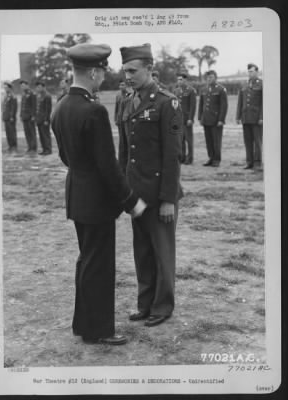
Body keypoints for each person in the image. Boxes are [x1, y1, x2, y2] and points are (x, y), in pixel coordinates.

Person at [51, 43, 146, 345]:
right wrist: (131, 201)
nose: (103, 77)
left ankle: (84, 325)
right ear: (92, 71)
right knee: (99, 266)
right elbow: (108, 166)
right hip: (97, 202)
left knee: (87, 261)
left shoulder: (62, 106)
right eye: (102, 71)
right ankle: (100, 330)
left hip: (77, 196)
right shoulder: (93, 110)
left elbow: (66, 157)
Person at [119, 43, 183, 327]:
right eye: (125, 71)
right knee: (142, 251)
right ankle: (144, 304)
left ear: (149, 69)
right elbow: (125, 151)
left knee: (161, 251)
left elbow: (172, 155)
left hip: (159, 194)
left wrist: (169, 198)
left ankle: (162, 306)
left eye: (133, 70)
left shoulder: (167, 102)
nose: (128, 76)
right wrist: (124, 192)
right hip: (136, 194)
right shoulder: (126, 100)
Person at [198, 70, 228, 167]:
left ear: (215, 77)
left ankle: (216, 159)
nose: (209, 79)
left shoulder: (221, 89)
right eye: (207, 77)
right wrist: (200, 117)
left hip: (216, 120)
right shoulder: (204, 90)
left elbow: (224, 106)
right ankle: (211, 158)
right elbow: (201, 104)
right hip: (206, 119)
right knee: (209, 140)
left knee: (216, 141)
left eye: (211, 77)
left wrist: (221, 120)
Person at [236, 63, 263, 170]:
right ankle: (249, 162)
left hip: (256, 118)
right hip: (246, 117)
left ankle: (257, 162)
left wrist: (262, 117)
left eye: (252, 71)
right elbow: (240, 102)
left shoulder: (261, 84)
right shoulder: (244, 84)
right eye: (249, 71)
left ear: (257, 72)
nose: (250, 73)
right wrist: (238, 116)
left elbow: (263, 103)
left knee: (257, 141)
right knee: (247, 141)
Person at [173, 71, 197, 164]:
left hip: (187, 119)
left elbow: (192, 106)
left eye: (181, 79)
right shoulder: (176, 91)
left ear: (185, 80)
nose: (179, 81)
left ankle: (190, 158)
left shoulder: (191, 90)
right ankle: (182, 157)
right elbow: (174, 105)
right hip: (179, 119)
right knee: (180, 139)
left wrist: (191, 118)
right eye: (178, 80)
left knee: (189, 140)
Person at [114, 79, 130, 165]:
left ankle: (128, 159)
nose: (121, 87)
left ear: (126, 86)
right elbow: (116, 108)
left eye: (123, 85)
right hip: (120, 121)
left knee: (127, 140)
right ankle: (121, 161)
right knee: (121, 142)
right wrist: (115, 119)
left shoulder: (129, 95)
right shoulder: (118, 95)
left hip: (126, 121)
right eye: (120, 85)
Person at [35, 81, 52, 155]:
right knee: (41, 135)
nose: (37, 88)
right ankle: (44, 149)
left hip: (44, 119)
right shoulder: (39, 95)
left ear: (43, 87)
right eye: (37, 87)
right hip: (39, 119)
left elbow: (48, 109)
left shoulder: (47, 96)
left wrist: (46, 119)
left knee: (45, 134)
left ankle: (48, 149)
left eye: (39, 87)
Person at [20, 80, 37, 155]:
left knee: (32, 133)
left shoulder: (32, 94)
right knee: (27, 133)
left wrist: (33, 116)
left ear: (27, 85)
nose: (22, 87)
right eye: (21, 86)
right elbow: (22, 106)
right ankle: (29, 147)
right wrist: (21, 115)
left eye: (23, 85)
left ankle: (33, 148)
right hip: (24, 116)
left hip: (30, 117)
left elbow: (34, 105)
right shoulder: (23, 94)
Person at [2, 82, 18, 153]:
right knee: (8, 132)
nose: (5, 89)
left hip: (10, 118)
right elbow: (4, 107)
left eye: (6, 87)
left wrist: (12, 116)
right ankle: (10, 146)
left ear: (10, 88)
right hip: (6, 117)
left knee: (12, 132)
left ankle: (14, 146)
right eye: (4, 87)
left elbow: (13, 108)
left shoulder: (12, 96)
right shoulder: (6, 96)